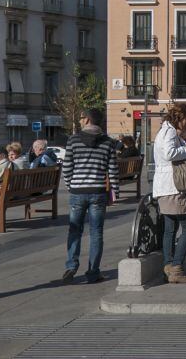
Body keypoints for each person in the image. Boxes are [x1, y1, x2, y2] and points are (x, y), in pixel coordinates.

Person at [61, 107, 119, 284]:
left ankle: (71, 266)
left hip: (78, 192)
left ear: (86, 120)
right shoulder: (108, 142)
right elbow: (113, 170)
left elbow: (67, 167)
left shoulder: (73, 140)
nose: (79, 120)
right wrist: (114, 192)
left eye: (80, 117)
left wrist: (70, 185)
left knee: (74, 230)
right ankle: (93, 272)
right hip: (97, 192)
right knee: (96, 233)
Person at [152, 104, 186, 283]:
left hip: (164, 186)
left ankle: (169, 265)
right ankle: (177, 268)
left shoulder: (165, 131)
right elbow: (170, 153)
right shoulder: (170, 132)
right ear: (179, 118)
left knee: (170, 229)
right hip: (173, 187)